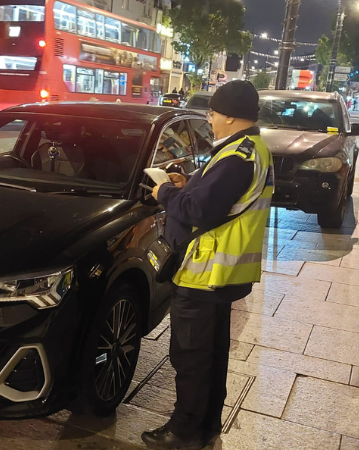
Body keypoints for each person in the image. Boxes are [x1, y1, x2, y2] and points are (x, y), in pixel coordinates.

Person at [142, 80, 274, 450]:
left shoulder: (235, 157)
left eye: (213, 113)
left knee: (191, 357)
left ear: (230, 116)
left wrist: (164, 192)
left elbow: (200, 210)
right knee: (211, 355)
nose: (210, 119)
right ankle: (206, 426)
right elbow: (219, 196)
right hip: (223, 273)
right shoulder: (249, 149)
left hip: (206, 273)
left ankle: (182, 433)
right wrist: (189, 183)